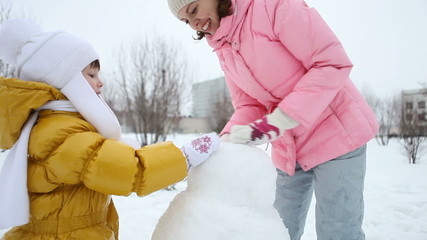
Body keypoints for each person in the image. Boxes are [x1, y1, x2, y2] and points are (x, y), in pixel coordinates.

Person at [167, 0, 379, 239]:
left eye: (194, 9)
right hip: (290, 148)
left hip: (337, 135)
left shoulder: (272, 6)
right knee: (277, 230)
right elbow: (249, 105)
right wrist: (227, 140)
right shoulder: (223, 47)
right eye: (186, 20)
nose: (194, 22)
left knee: (337, 232)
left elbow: (331, 62)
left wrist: (281, 119)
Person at [0, 19, 219, 239]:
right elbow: (131, 172)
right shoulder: (64, 132)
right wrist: (184, 157)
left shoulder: (51, 125)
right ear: (64, 80)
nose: (100, 82)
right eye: (91, 75)